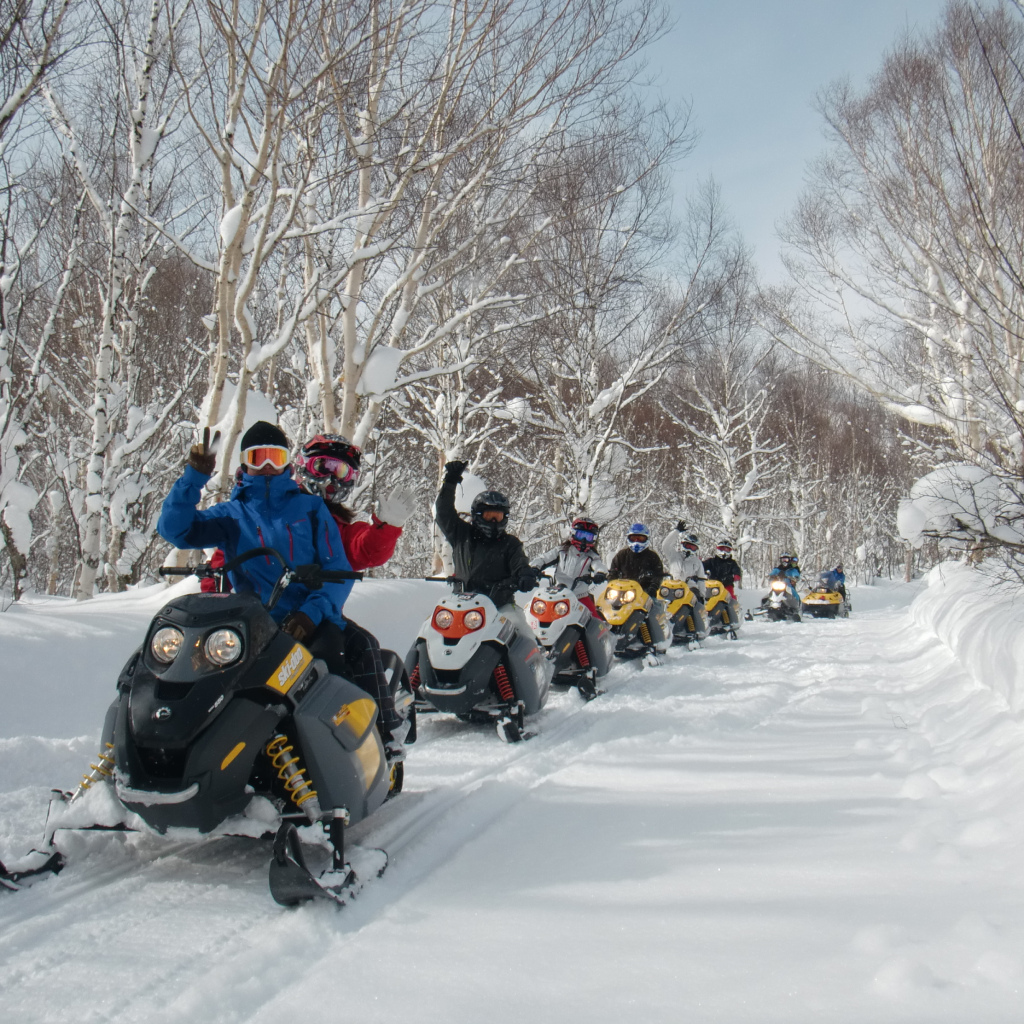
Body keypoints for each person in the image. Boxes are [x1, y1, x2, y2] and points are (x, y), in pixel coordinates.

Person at [292, 433, 416, 761]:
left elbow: (363, 549)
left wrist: (387, 527)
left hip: (319, 614)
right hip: (265, 609)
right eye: (326, 466)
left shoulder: (338, 523)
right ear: (306, 466)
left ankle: (384, 732)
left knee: (362, 646)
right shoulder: (276, 507)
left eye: (344, 472)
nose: (334, 478)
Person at [435, 460, 538, 637]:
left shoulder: (510, 544)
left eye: (497, 516)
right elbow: (444, 513)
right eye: (488, 515)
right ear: (476, 515)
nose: (493, 521)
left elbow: (520, 562)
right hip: (461, 605)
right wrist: (450, 481)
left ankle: (538, 662)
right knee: (430, 632)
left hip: (500, 605)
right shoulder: (461, 534)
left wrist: (524, 574)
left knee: (521, 633)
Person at [531, 517, 608, 617]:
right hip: (557, 595)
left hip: (580, 597)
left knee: (596, 622)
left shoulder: (592, 556)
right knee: (538, 614)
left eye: (588, 537)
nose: (584, 540)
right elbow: (543, 558)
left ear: (593, 539)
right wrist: (535, 568)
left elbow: (599, 566)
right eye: (580, 535)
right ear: (573, 533)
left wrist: (600, 574)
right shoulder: (561, 550)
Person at [609, 523, 665, 599]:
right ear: (628, 538)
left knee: (657, 608)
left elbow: (658, 574)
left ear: (646, 539)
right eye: (633, 538)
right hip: (622, 592)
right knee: (603, 605)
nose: (636, 541)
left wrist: (653, 587)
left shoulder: (652, 557)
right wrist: (612, 581)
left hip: (645, 593)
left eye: (640, 538)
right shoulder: (621, 555)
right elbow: (613, 572)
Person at [660, 524, 707, 600]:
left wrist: (702, 596)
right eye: (688, 546)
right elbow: (665, 545)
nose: (689, 549)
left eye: (692, 547)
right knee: (661, 598)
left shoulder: (697, 562)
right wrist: (676, 531)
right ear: (683, 544)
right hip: (672, 586)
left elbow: (701, 580)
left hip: (690, 588)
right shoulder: (674, 555)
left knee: (693, 603)